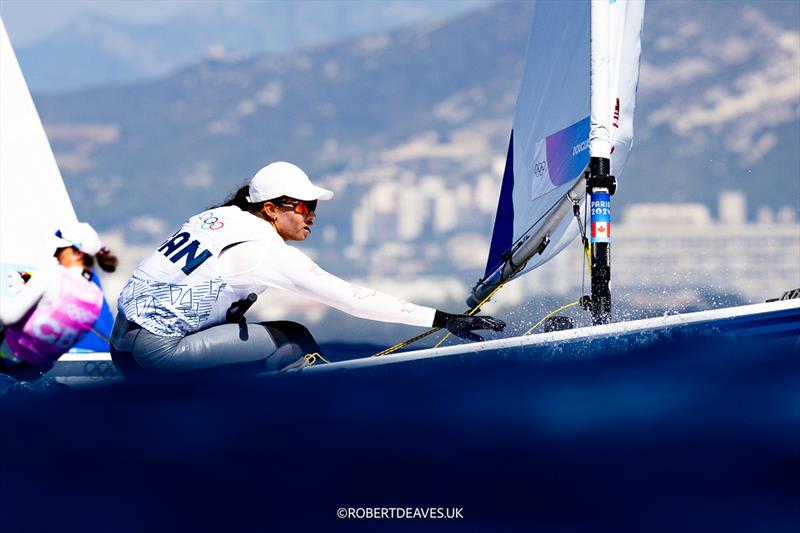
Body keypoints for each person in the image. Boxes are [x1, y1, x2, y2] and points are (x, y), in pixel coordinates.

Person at [110, 161, 504, 378]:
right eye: (302, 206)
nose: (311, 215)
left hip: (121, 348)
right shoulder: (263, 249)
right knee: (293, 339)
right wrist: (442, 319)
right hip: (156, 355)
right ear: (270, 209)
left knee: (261, 343)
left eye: (314, 206)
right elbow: (351, 300)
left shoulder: (216, 218)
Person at [0, 222, 119, 381]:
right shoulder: (96, 297)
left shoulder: (53, 275)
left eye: (60, 249)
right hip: (33, 371)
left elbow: (8, 318)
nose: (55, 254)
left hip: (6, 355)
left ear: (77, 254)